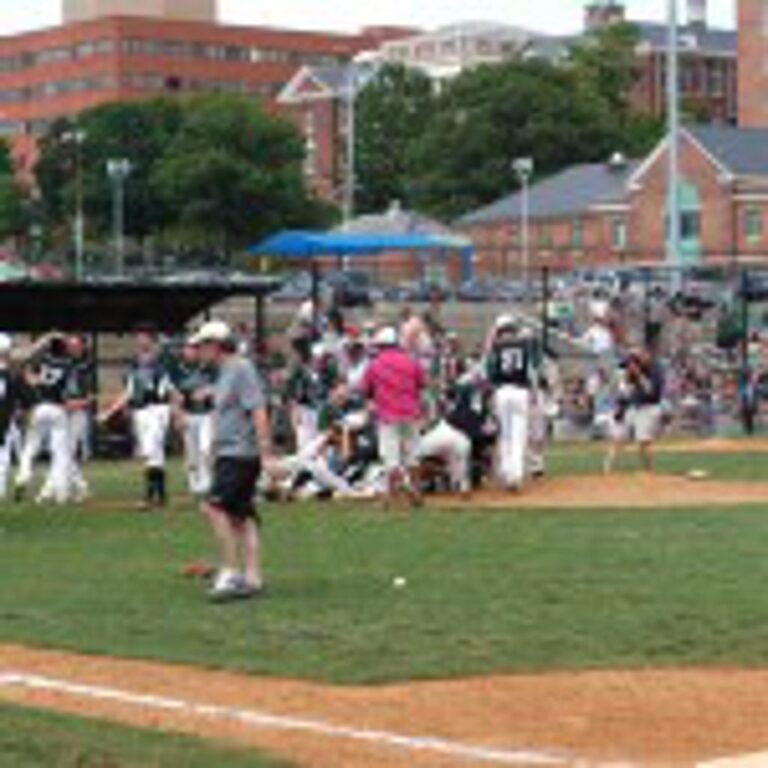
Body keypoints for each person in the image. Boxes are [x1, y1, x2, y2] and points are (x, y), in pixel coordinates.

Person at [193, 319, 274, 603]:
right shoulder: (225, 372)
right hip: (230, 451)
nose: (199, 351)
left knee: (213, 507)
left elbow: (258, 410)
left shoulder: (240, 368)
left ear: (216, 345)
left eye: (202, 345)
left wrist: (266, 453)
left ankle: (231, 571)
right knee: (241, 516)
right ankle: (252, 576)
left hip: (240, 452)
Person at [100, 326, 172, 509]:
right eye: (138, 337)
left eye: (145, 337)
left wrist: (177, 410)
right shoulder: (134, 364)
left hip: (157, 408)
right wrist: (109, 412)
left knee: (150, 449)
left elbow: (168, 388)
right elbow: (129, 393)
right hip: (141, 411)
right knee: (155, 454)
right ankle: (160, 495)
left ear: (152, 340)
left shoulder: (161, 361)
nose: (141, 341)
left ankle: (149, 497)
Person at [360, 326, 425, 505]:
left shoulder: (375, 363)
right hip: (412, 412)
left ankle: (391, 496)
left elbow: (364, 389)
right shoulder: (411, 361)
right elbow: (422, 383)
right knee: (413, 455)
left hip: (388, 415)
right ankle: (417, 492)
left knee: (391, 457)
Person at [15, 333, 73, 505]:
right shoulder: (68, 364)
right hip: (58, 408)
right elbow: (69, 391)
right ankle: (61, 493)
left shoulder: (43, 361)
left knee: (30, 446)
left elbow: (30, 376)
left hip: (40, 408)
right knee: (60, 452)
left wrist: (33, 378)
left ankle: (22, 477)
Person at [485, 316, 536, 492]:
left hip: (502, 391)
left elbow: (489, 371)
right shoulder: (525, 345)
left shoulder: (496, 346)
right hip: (520, 391)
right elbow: (532, 369)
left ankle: (506, 473)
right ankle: (515, 476)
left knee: (505, 435)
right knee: (518, 436)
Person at [604, 347, 664, 474]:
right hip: (633, 406)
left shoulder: (655, 370)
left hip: (649, 407)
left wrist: (638, 374)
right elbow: (625, 389)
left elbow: (650, 391)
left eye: (637, 359)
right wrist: (621, 408)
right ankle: (607, 471)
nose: (634, 363)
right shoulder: (632, 370)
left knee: (643, 441)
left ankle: (649, 471)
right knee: (617, 438)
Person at [171, 339, 216, 498]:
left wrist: (208, 391)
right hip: (188, 414)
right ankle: (193, 481)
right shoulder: (178, 370)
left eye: (195, 349)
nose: (191, 352)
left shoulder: (209, 368)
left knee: (206, 447)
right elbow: (175, 394)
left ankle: (206, 480)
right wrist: (177, 415)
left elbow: (221, 386)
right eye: (188, 348)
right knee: (191, 451)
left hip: (207, 414)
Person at [64, 335, 93, 503]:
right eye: (70, 345)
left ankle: (80, 487)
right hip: (63, 411)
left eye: (75, 345)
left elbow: (89, 398)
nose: (72, 348)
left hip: (78, 413)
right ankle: (75, 487)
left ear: (82, 347)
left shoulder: (85, 367)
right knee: (62, 452)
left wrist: (74, 404)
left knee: (67, 451)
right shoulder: (64, 364)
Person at [0, 334, 22, 500]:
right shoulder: (7, 373)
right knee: (4, 455)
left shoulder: (9, 372)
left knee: (18, 450)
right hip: (4, 418)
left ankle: (21, 481)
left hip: (8, 418)